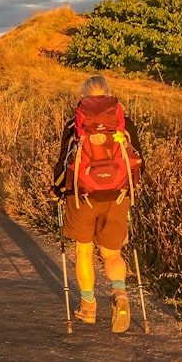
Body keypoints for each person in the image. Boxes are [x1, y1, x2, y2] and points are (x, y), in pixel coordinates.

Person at [51, 74, 143, 333]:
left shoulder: (75, 124)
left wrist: (57, 189)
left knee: (83, 251)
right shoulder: (124, 124)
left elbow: (64, 161)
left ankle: (88, 306)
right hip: (118, 194)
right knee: (112, 253)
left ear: (83, 96)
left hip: (83, 196)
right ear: (109, 94)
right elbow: (138, 160)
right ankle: (119, 292)